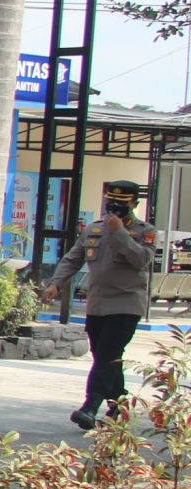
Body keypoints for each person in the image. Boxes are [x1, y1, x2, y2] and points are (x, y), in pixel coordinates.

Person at [45, 180, 156, 429]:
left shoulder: (145, 231)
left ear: (134, 204)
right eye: (110, 202)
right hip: (97, 304)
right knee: (106, 356)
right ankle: (119, 405)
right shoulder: (94, 229)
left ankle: (90, 405)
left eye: (121, 204)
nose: (114, 207)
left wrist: (120, 233)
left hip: (127, 304)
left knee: (107, 355)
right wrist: (56, 284)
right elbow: (73, 258)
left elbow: (142, 260)